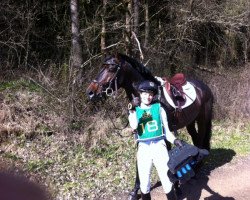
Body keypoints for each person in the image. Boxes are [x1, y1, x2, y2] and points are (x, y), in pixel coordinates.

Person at [128, 80, 182, 200]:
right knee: (144, 183)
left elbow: (166, 132)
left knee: (167, 180)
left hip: (160, 147)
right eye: (145, 93)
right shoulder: (135, 110)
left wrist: (175, 140)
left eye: (151, 94)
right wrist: (131, 109)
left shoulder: (159, 108)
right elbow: (133, 126)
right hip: (144, 148)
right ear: (140, 94)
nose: (148, 96)